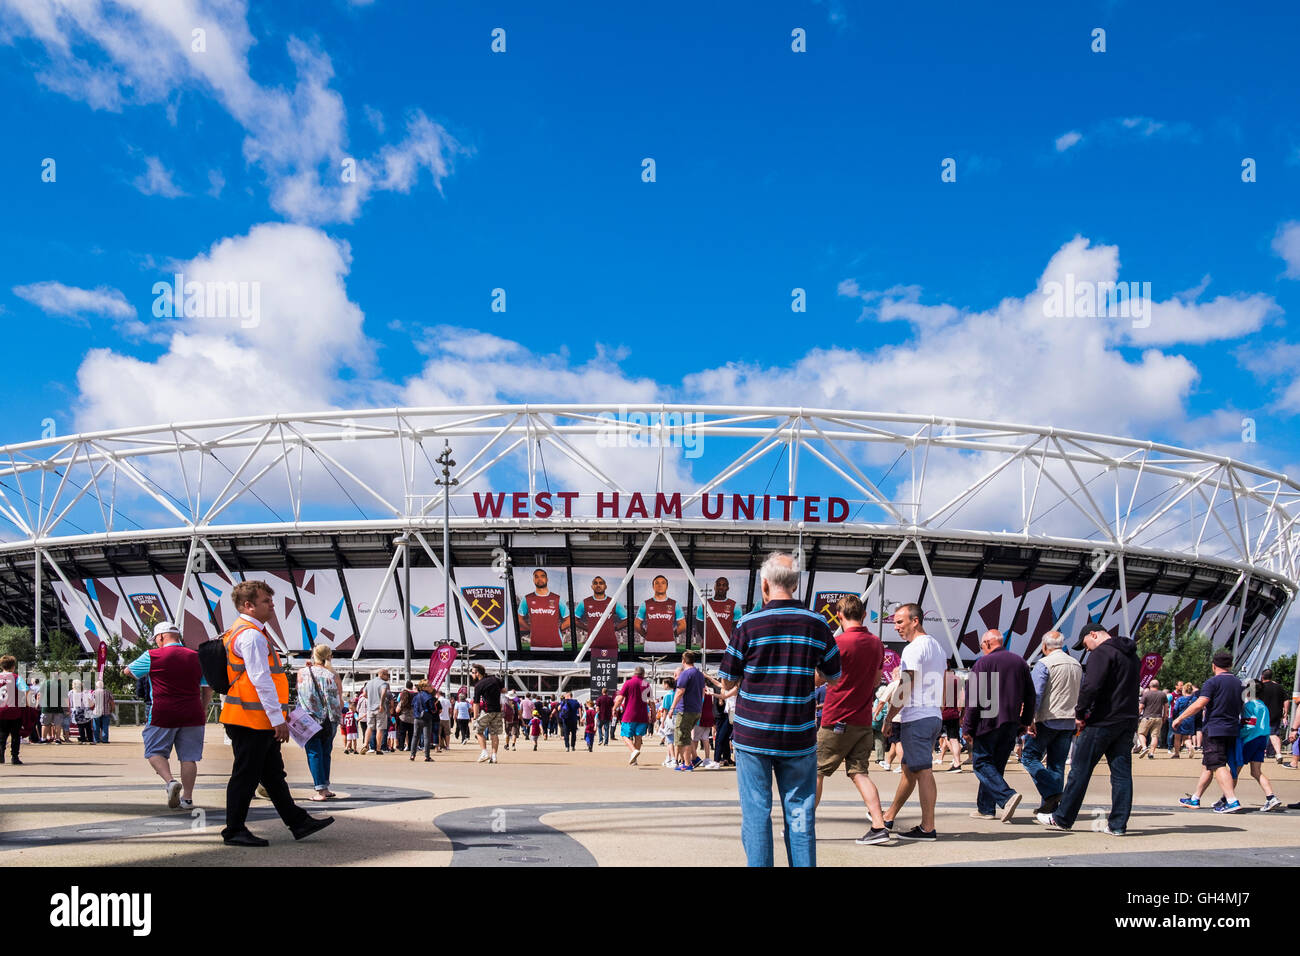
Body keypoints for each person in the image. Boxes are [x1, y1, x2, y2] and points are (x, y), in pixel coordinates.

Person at [719, 552, 840, 867]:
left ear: (764, 585)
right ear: (796, 583)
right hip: (798, 735)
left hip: (753, 735)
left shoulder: (747, 624)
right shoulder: (817, 623)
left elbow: (729, 676)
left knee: (757, 812)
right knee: (800, 812)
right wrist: (803, 676)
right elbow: (834, 674)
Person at [219, 580, 332, 847]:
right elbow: (261, 679)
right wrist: (277, 719)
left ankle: (298, 821)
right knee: (246, 775)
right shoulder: (251, 635)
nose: (272, 606)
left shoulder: (244, 631)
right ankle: (234, 829)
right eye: (266, 601)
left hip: (251, 718)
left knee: (272, 774)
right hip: (251, 720)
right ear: (248, 605)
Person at [1035, 623, 1140, 834]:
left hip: (1102, 721)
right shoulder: (1132, 656)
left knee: (1080, 770)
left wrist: (1081, 714)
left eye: (1086, 645)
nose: (1087, 650)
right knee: (1121, 774)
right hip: (1126, 720)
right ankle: (1118, 825)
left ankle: (1063, 818)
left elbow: (1091, 686)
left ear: (1093, 634)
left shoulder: (1102, 653)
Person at [814, 595, 889, 845]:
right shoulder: (877, 643)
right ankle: (878, 825)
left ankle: (801, 826)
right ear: (864, 615)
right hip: (862, 719)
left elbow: (817, 679)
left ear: (839, 616)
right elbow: (878, 680)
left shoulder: (838, 643)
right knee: (859, 773)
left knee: (816, 771)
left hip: (836, 718)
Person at [124, 621, 212, 810]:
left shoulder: (152, 655)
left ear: (161, 637)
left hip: (163, 712)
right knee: (189, 757)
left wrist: (150, 673)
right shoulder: (197, 657)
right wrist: (202, 709)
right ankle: (187, 799)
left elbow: (128, 671)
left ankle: (170, 781)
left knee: (154, 751)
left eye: (156, 639)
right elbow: (207, 689)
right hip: (193, 713)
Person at [880, 603, 947, 841]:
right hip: (932, 715)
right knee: (910, 771)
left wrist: (889, 718)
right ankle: (888, 816)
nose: (896, 627)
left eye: (900, 621)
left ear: (915, 620)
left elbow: (906, 685)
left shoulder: (913, 649)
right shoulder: (937, 648)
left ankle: (928, 828)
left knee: (923, 771)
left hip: (917, 716)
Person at [962, 629, 1035, 823]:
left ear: (987, 643)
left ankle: (1006, 796)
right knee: (996, 766)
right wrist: (1025, 721)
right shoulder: (1020, 662)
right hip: (1011, 722)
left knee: (981, 763)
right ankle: (985, 808)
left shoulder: (982, 663)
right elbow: (1030, 695)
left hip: (988, 721)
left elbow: (974, 699)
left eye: (981, 646)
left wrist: (967, 727)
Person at [1172, 650, 1246, 813]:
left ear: (1213, 666)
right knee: (1208, 764)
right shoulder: (1240, 684)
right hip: (1232, 729)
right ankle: (1195, 798)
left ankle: (1232, 800)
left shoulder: (1212, 683)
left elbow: (1200, 704)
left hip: (1215, 729)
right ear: (1231, 665)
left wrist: (1179, 718)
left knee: (1217, 764)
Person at [1021, 631, 1081, 815]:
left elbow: (1036, 694)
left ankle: (1052, 793)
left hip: (1048, 718)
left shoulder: (1044, 664)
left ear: (1044, 646)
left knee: (1029, 757)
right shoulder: (1076, 664)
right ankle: (1051, 807)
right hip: (1069, 719)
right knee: (1057, 764)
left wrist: (1029, 719)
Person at [297, 642, 343, 800]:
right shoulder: (333, 674)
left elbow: (301, 694)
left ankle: (321, 791)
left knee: (313, 752)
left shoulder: (302, 672)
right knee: (325, 753)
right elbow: (339, 700)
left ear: (313, 655)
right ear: (330, 656)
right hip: (330, 720)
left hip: (309, 718)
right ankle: (326, 787)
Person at [1232, 682, 1281, 811]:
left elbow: (1250, 724)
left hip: (1249, 739)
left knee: (1235, 770)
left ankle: (1228, 798)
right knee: (1256, 771)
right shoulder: (1263, 706)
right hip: (1261, 739)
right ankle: (1271, 797)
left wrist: (1238, 734)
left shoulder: (1249, 706)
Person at [517, 569, 571, 651]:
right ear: (533, 580)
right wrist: (530, 628)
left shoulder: (557, 598)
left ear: (547, 579)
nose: (539, 579)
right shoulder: (527, 598)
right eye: (536, 577)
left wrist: (558, 629)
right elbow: (519, 618)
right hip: (536, 644)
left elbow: (569, 619)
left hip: (556, 644)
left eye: (542, 576)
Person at [672, 651, 707, 771]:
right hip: (696, 709)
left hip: (685, 709)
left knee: (682, 737)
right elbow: (703, 692)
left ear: (683, 661)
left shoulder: (685, 674)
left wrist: (672, 708)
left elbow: (680, 692)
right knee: (687, 734)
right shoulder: (699, 674)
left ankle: (687, 764)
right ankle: (695, 758)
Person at [574, 576, 627, 652]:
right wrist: (587, 628)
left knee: (613, 663)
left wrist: (615, 628)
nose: (598, 585)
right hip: (591, 645)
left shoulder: (613, 602)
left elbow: (627, 620)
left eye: (601, 583)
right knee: (591, 664)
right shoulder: (585, 602)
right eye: (595, 583)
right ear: (592, 587)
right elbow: (574, 620)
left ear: (605, 586)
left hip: (611, 645)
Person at [637, 575, 685, 654]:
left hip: (669, 643)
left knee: (669, 666)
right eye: (657, 583)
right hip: (650, 643)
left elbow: (683, 625)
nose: (660, 585)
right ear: (653, 587)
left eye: (663, 583)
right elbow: (637, 624)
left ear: (667, 586)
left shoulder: (675, 604)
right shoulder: (645, 603)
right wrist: (645, 635)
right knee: (649, 665)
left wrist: (673, 634)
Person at [616, 665, 653, 765]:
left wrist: (614, 708)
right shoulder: (646, 684)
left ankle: (633, 750)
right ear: (643, 674)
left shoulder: (628, 683)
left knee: (624, 735)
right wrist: (653, 714)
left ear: (634, 673)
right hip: (642, 715)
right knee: (638, 736)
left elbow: (620, 699)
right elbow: (651, 702)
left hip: (629, 715)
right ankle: (634, 760)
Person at [696, 576, 742, 651]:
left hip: (726, 648)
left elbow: (736, 629)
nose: (721, 587)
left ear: (727, 588)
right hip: (707, 648)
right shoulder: (704, 604)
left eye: (724, 585)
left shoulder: (735, 606)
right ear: (714, 587)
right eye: (718, 585)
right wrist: (708, 639)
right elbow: (699, 626)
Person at [471, 663, 505, 764]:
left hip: (487, 711)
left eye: (472, 673)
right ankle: (494, 756)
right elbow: (503, 690)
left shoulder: (478, 685)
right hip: (497, 710)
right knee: (494, 733)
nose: (472, 675)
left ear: (477, 673)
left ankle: (484, 752)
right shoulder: (495, 679)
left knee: (478, 730)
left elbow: (476, 703)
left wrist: (475, 717)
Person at [0, 655, 30, 765]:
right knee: (15, 734)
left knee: (2, 734)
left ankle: (1, 755)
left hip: (1, 710)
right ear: (13, 666)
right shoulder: (16, 677)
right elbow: (25, 690)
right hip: (14, 710)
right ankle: (14, 757)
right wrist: (27, 704)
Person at [1254, 669, 1287, 764]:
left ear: (1262, 676)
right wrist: (1285, 712)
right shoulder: (1279, 687)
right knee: (1274, 733)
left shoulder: (1260, 687)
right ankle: (1278, 753)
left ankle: (1257, 752)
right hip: (1276, 713)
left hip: (1262, 713)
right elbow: (1286, 700)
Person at [363, 669, 391, 754]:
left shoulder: (369, 682)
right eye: (387, 675)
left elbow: (364, 694)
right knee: (380, 728)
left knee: (369, 727)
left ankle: (365, 745)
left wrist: (371, 699)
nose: (388, 677)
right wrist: (381, 704)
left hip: (370, 708)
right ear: (382, 674)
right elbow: (383, 693)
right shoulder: (383, 683)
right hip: (380, 709)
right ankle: (378, 749)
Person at [1136, 680, 1164, 758]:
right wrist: (1164, 716)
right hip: (1158, 717)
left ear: (1150, 685)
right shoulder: (1162, 694)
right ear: (1158, 686)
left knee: (1141, 733)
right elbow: (1166, 707)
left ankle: (1144, 747)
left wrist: (1137, 716)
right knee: (1154, 736)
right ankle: (1151, 753)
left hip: (1147, 717)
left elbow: (1141, 707)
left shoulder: (1146, 694)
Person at [410, 679, 437, 762]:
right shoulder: (429, 697)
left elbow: (412, 705)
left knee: (415, 736)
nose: (431, 686)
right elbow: (432, 709)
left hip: (417, 718)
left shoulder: (416, 696)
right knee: (426, 738)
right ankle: (427, 756)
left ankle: (412, 755)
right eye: (429, 685)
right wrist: (434, 708)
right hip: (426, 718)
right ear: (424, 687)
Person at [1171, 683, 1198, 757]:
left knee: (1177, 737)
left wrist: (1174, 718)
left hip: (1180, 719)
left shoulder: (1180, 699)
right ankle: (1190, 746)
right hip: (1191, 720)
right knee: (1186, 737)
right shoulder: (1195, 699)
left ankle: (1176, 753)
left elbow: (1175, 710)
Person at [69, 679, 94, 744]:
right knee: (88, 726)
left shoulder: (71, 692)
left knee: (80, 726)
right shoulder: (86, 692)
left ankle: (83, 740)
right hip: (87, 709)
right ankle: (91, 740)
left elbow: (70, 702)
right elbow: (91, 701)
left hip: (77, 710)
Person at [91, 678, 115, 743]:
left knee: (96, 727)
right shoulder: (107, 692)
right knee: (105, 727)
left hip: (96, 711)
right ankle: (105, 739)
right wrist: (111, 709)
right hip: (106, 711)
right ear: (103, 685)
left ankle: (96, 739)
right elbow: (112, 702)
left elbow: (91, 703)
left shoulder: (94, 692)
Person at [396, 680, 415, 752]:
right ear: (412, 686)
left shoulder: (402, 699)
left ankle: (401, 746)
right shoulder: (415, 696)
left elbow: (397, 710)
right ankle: (410, 746)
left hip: (403, 718)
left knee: (402, 733)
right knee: (411, 733)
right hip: (412, 718)